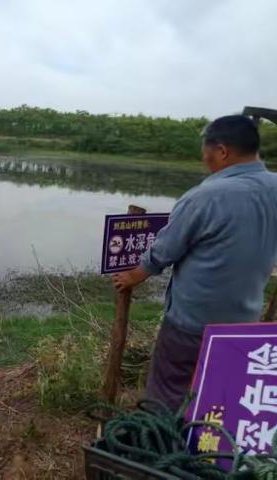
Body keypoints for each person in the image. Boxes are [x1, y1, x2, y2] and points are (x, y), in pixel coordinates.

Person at [112, 115, 277, 411]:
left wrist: (135, 275)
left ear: (222, 151)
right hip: (244, 321)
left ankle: (158, 446)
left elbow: (165, 250)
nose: (204, 157)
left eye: (206, 150)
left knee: (168, 389)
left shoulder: (206, 196)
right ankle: (204, 447)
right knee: (218, 393)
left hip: (193, 321)